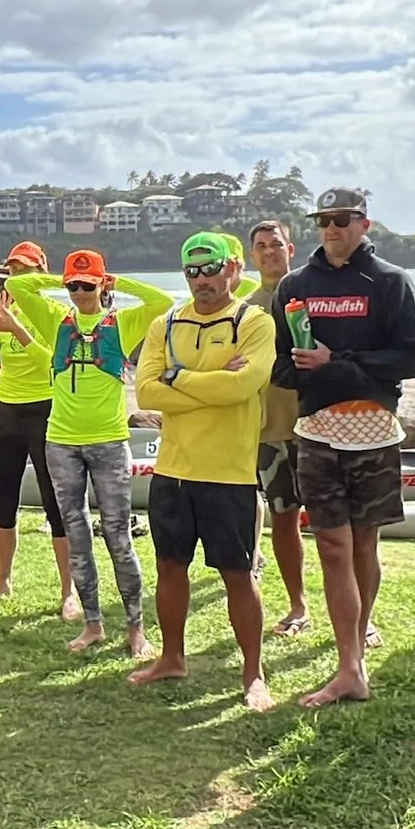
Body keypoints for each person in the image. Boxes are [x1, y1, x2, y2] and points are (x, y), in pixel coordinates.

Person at [269, 187, 415, 707]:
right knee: (332, 547)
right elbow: (281, 365)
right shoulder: (295, 285)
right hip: (315, 431)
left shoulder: (390, 281)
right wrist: (314, 370)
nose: (332, 229)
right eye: (324, 220)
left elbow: (409, 360)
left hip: (375, 431)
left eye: (342, 219)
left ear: (364, 224)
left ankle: (357, 647)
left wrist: (337, 362)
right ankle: (349, 666)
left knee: (363, 546)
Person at [130, 233, 276, 707]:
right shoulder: (167, 323)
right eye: (191, 271)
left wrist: (180, 378)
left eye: (210, 269)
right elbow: (146, 393)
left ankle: (253, 673)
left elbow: (243, 386)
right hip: (173, 470)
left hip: (229, 473)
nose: (201, 280)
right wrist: (212, 385)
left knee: (238, 573)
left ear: (232, 268)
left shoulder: (253, 322)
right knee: (170, 567)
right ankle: (172, 657)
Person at [7, 250, 172, 656]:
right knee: (77, 537)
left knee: (118, 537)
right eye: (73, 286)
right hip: (62, 443)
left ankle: (136, 628)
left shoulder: (122, 324)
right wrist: (57, 279)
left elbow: (162, 302)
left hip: (109, 442)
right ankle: (93, 623)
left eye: (87, 285)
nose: (79, 292)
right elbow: (16, 284)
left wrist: (117, 281)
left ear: (101, 286)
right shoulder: (55, 320)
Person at [0, 241, 75, 613]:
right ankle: (2, 580)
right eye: (13, 271)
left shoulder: (56, 313)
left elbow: (53, 364)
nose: (17, 278)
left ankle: (68, 590)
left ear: (41, 275)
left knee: (54, 500)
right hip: (8, 412)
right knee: (5, 497)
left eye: (26, 271)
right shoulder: (0, 312)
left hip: (45, 409)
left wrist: (18, 330)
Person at [248, 220, 310, 637]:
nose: (269, 252)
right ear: (253, 255)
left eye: (276, 244)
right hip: (271, 429)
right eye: (261, 246)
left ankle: (362, 618)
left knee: (340, 525)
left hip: (318, 425)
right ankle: (297, 605)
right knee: (283, 520)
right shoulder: (247, 309)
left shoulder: (311, 296)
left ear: (290, 248)